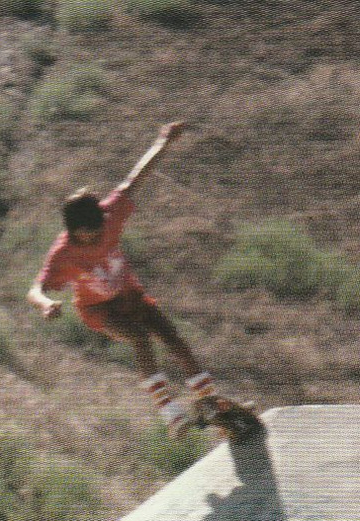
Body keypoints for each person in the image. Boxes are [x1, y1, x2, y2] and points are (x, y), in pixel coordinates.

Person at [27, 121, 248, 436]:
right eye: (89, 237)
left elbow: (136, 178)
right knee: (140, 338)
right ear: (74, 232)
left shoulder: (109, 214)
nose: (96, 239)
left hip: (131, 296)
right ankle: (170, 412)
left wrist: (163, 141)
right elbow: (35, 288)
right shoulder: (62, 253)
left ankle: (210, 402)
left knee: (175, 341)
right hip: (99, 311)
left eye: (99, 232)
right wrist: (46, 303)